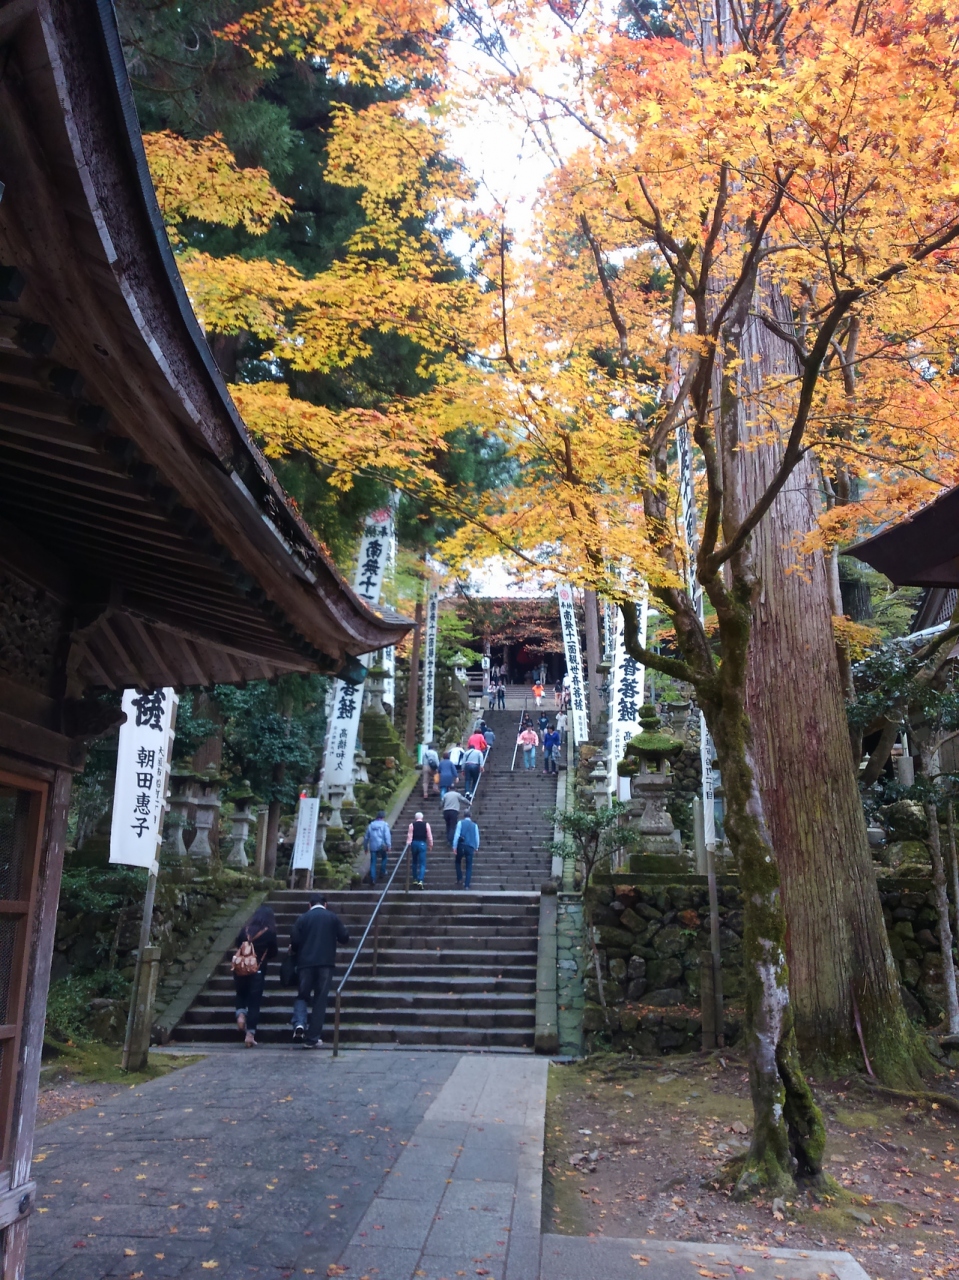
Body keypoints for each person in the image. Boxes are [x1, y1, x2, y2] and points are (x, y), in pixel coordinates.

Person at [290, 894, 350, 1047]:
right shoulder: (332, 917)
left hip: (305, 964)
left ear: (309, 905)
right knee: (320, 1000)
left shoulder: (303, 918)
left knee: (302, 995)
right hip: (326, 964)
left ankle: (299, 1023)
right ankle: (312, 1038)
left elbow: (295, 940)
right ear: (326, 904)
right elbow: (344, 937)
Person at [233, 904, 278, 1048]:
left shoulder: (245, 930)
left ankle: (240, 1014)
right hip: (257, 971)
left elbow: (237, 944)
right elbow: (273, 952)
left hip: (240, 969)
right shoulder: (269, 933)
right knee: (254, 1002)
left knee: (241, 994)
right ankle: (250, 1035)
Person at [452, 809, 480, 889]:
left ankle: (459, 878)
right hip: (470, 846)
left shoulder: (460, 823)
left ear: (464, 815)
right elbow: (477, 837)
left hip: (461, 846)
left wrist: (454, 846)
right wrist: (476, 847)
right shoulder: (475, 825)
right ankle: (467, 885)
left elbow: (457, 835)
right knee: (469, 866)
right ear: (470, 816)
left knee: (457, 862)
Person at [363, 810, 392, 885]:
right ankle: (382, 871)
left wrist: (365, 847)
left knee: (373, 862)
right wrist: (388, 845)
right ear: (383, 817)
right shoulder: (385, 825)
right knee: (384, 857)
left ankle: (372, 878)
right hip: (382, 845)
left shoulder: (371, 825)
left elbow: (366, 838)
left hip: (373, 846)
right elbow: (387, 836)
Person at [407, 811, 433, 888]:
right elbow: (429, 835)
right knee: (422, 863)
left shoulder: (412, 825)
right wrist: (430, 844)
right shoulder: (426, 825)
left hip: (414, 843)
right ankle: (421, 880)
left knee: (414, 862)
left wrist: (408, 844)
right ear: (422, 817)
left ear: (415, 818)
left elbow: (410, 836)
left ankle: (415, 879)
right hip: (422, 843)